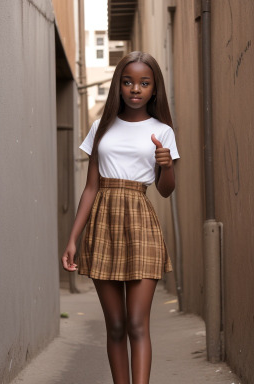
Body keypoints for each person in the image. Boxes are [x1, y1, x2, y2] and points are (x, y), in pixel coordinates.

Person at [61, 51, 180, 384]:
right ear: (119, 86)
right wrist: (73, 239)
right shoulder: (102, 126)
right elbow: (90, 188)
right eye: (128, 82)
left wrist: (167, 164)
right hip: (103, 225)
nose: (135, 89)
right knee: (114, 326)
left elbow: (167, 190)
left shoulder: (163, 131)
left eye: (144, 83)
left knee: (137, 324)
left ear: (154, 89)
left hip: (141, 222)